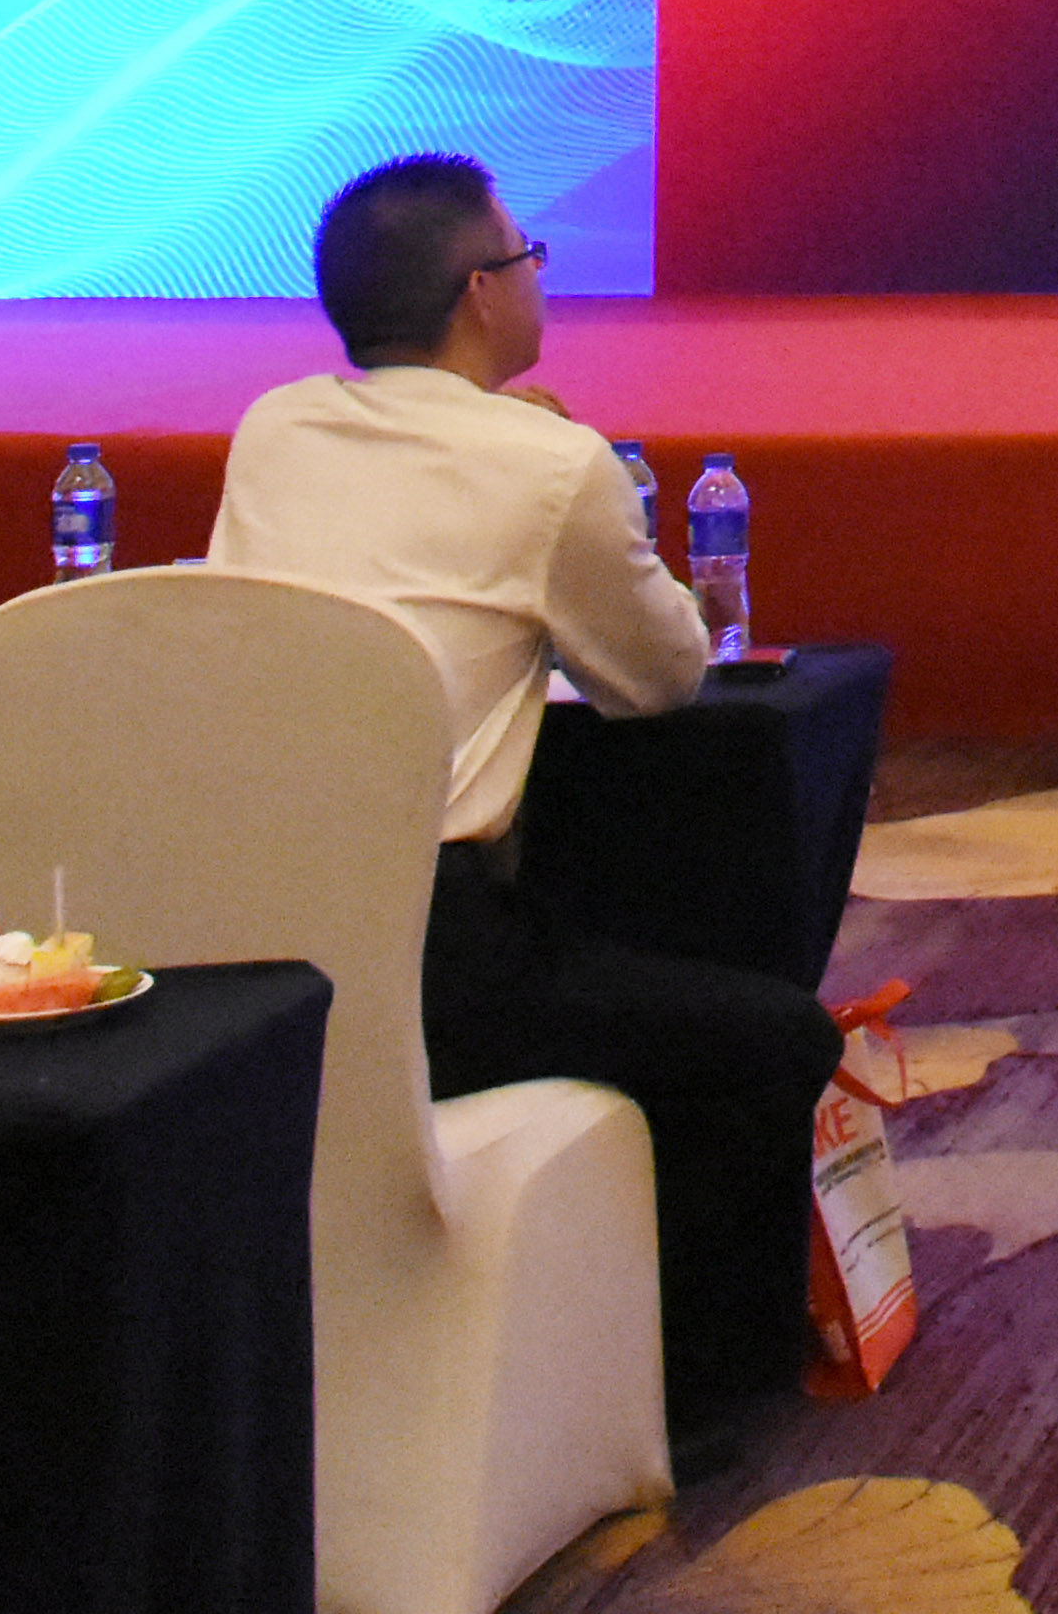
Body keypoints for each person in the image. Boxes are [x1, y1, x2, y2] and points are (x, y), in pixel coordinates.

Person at [208, 155, 846, 1435]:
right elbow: (660, 679)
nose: (538, 276)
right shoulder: (552, 466)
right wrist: (565, 462)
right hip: (434, 957)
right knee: (772, 1041)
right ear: (480, 292)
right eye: (527, 256)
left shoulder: (273, 431)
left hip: (239, 940)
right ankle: (683, 1403)